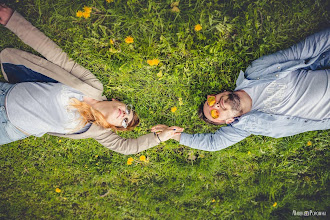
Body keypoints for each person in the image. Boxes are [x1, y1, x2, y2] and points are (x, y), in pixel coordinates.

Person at [0, 5, 183, 154]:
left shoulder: (99, 131)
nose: (124, 115)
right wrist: (14, 22)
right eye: (128, 110)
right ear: (117, 101)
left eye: (125, 122)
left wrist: (160, 137)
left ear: (114, 127)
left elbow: (127, 147)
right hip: (5, 92)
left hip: (9, 127)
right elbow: (57, 56)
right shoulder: (92, 86)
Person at [152, 28, 330, 151]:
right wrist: (173, 135)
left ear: (218, 94)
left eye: (211, 102)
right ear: (228, 121)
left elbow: (300, 52)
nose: (216, 106)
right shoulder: (244, 126)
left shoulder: (257, 70)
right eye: (214, 114)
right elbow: (213, 143)